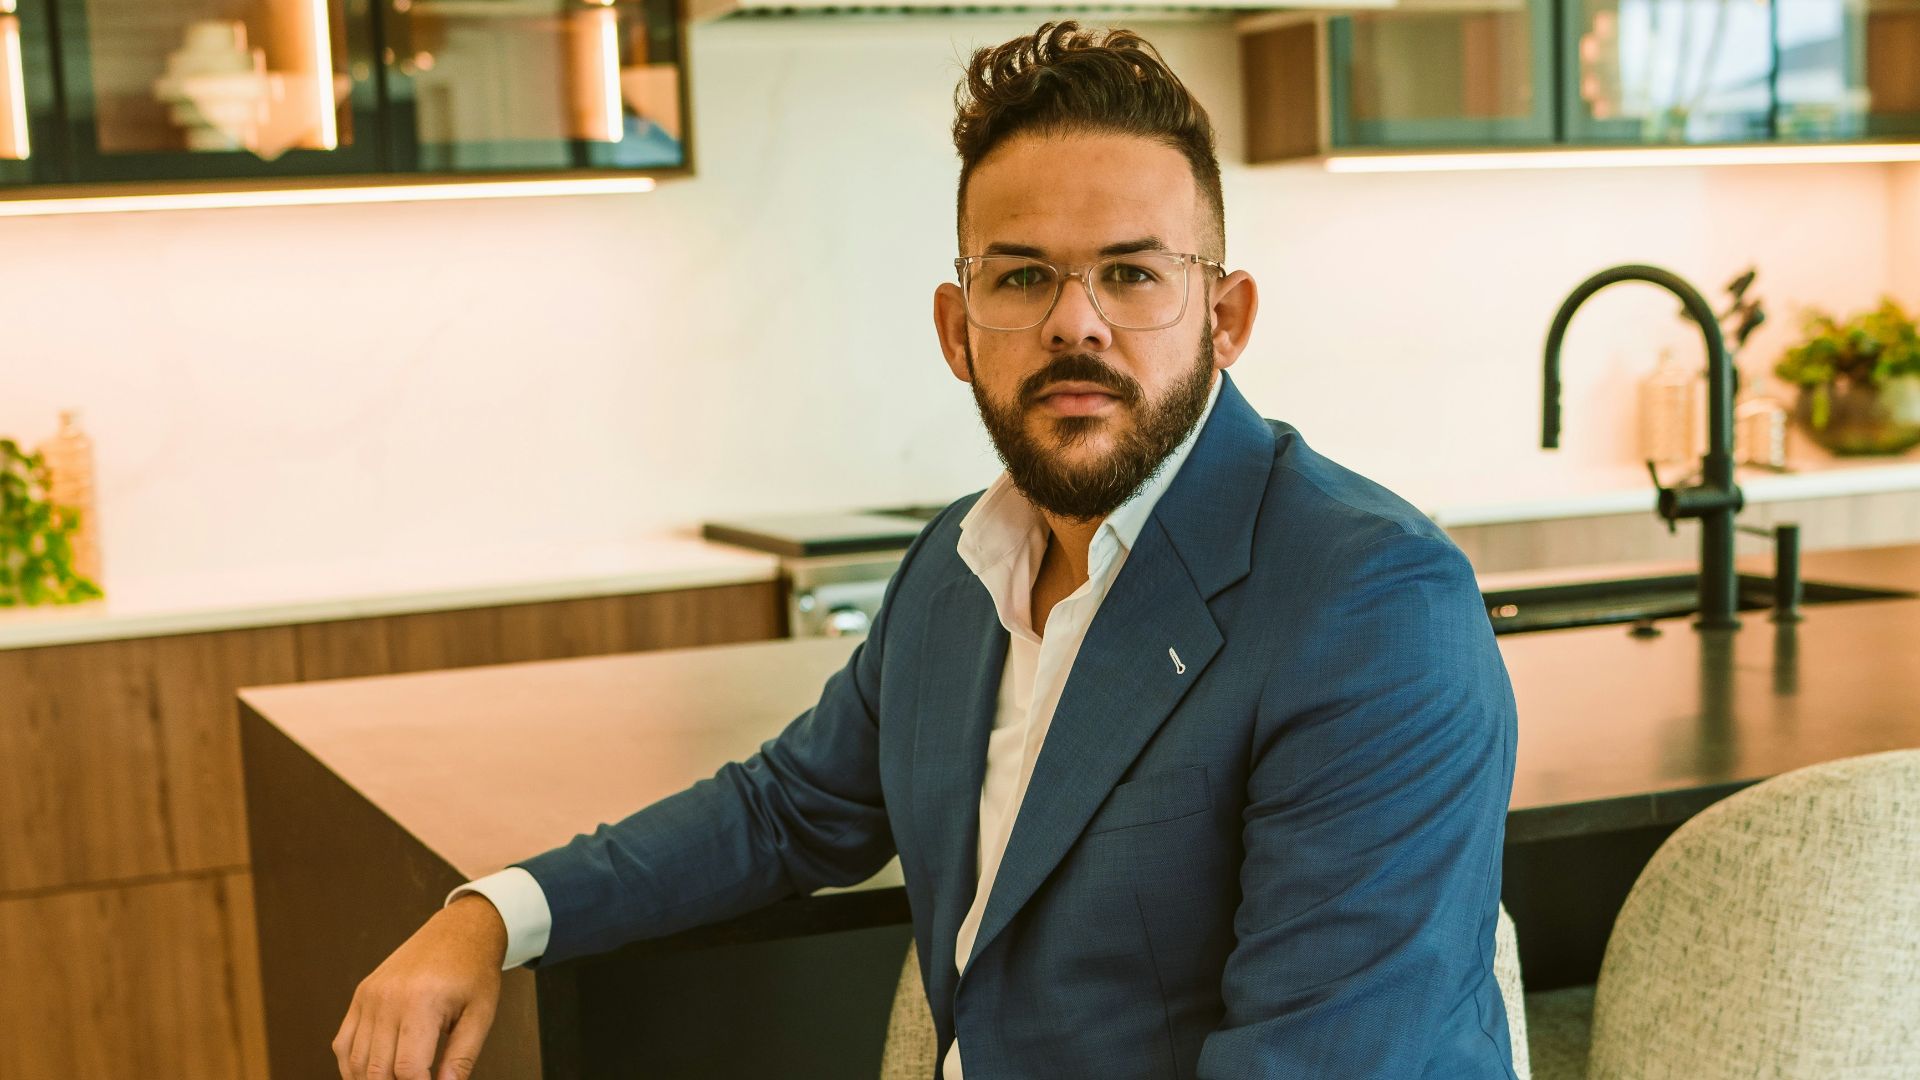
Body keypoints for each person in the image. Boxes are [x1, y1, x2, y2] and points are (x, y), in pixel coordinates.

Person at [334, 22, 1519, 1080]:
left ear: (1226, 316)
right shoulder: (958, 569)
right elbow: (784, 813)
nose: (1075, 320)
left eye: (1132, 273)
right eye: (1021, 276)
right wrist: (491, 916)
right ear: (960, 330)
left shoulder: (1371, 602)